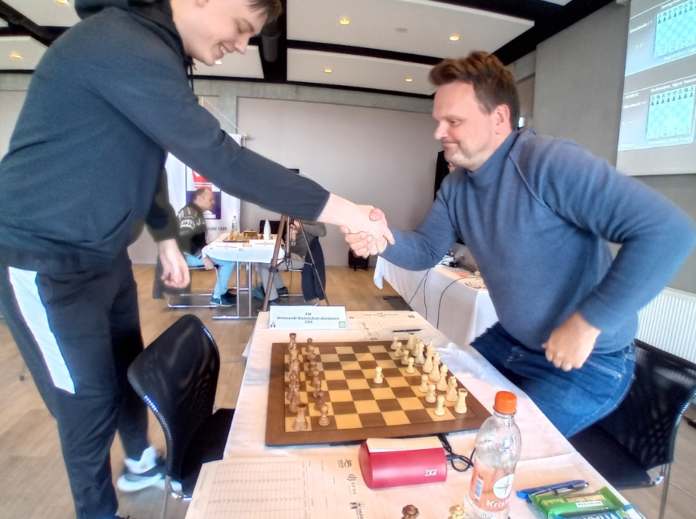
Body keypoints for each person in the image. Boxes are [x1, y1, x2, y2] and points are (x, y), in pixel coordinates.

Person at [0, 1, 392, 519]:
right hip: (42, 258)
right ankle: (97, 511)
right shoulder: (120, 41)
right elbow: (224, 160)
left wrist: (166, 239)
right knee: (86, 398)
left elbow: (143, 159)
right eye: (242, 27)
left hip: (105, 256)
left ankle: (139, 461)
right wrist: (350, 213)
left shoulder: (152, 48)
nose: (242, 45)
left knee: (127, 368)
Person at [343, 51, 696, 437]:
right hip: (511, 341)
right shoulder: (456, 186)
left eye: (453, 121)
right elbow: (427, 250)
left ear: (499, 118)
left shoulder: (548, 162)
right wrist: (381, 237)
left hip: (588, 362)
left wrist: (587, 323)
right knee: (434, 406)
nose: (438, 132)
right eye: (438, 121)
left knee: (487, 445)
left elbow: (669, 232)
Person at [177, 187, 237, 306]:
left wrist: (211, 250)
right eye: (210, 199)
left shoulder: (196, 212)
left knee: (227, 257)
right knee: (228, 261)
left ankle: (222, 291)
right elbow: (183, 241)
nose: (213, 202)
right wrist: (203, 257)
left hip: (189, 253)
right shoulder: (189, 214)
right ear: (200, 198)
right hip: (183, 256)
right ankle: (218, 297)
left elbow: (197, 240)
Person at [255, 219, 327, 304]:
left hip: (303, 258)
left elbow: (322, 232)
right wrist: (288, 237)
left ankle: (273, 299)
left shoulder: (314, 220)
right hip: (292, 254)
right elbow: (290, 244)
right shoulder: (294, 220)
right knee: (263, 259)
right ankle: (280, 289)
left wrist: (300, 225)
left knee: (264, 263)